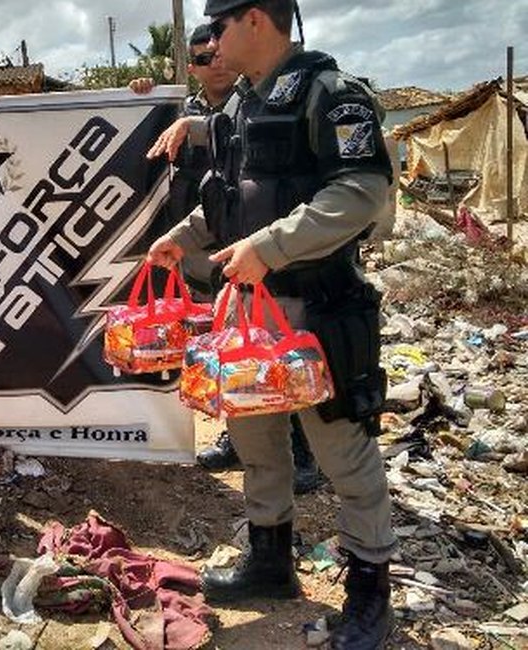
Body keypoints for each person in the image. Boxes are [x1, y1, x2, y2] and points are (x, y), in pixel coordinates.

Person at [146, 1, 396, 648]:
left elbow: (362, 192)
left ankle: (369, 595)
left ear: (254, 18)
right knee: (255, 443)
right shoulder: (238, 107)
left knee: (344, 454)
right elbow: (226, 200)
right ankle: (270, 563)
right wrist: (182, 237)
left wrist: (274, 247)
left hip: (315, 310)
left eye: (219, 27)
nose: (212, 44)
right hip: (245, 312)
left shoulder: (330, 94)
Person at [130, 24, 323, 493]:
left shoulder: (274, 100)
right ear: (192, 69)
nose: (213, 59)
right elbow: (215, 193)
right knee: (235, 358)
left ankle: (303, 454)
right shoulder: (188, 112)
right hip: (211, 260)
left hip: (273, 258)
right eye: (200, 58)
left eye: (216, 50)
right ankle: (241, 442)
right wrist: (141, 94)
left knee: (279, 355)